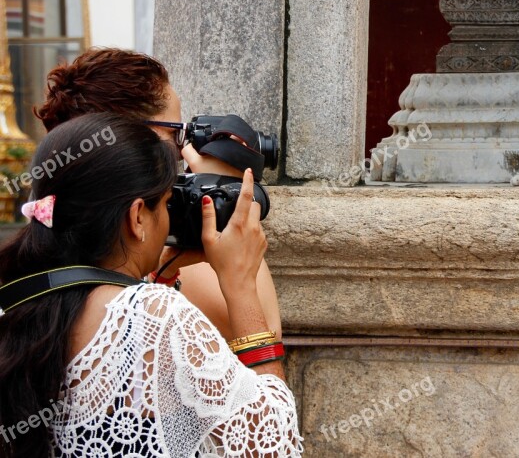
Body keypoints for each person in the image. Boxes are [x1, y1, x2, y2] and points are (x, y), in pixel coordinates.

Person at [0, 114, 302, 457]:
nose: (169, 218)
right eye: (166, 203)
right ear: (137, 217)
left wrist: (157, 278)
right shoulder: (157, 316)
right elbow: (273, 444)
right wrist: (241, 285)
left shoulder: (16, 303)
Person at [33, 48, 280, 341]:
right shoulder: (141, 225)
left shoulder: (67, 214)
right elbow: (266, 330)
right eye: (175, 133)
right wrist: (227, 195)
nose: (182, 150)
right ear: (131, 137)